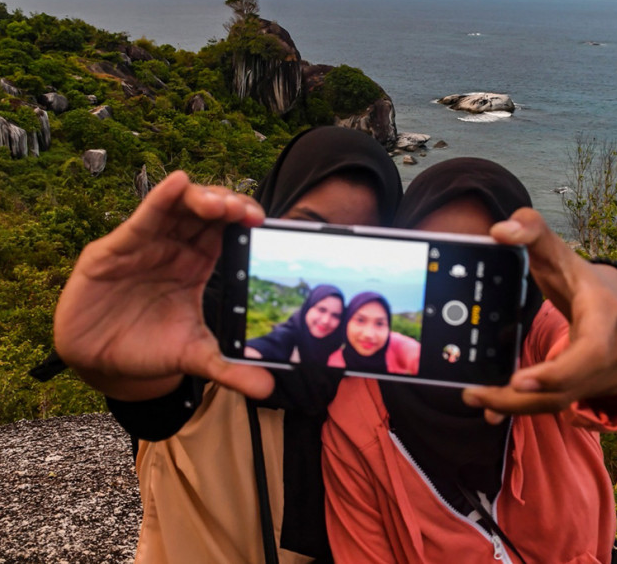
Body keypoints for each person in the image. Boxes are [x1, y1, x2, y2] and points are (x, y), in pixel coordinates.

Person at [53, 126, 403, 563]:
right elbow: (154, 400)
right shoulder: (210, 331)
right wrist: (111, 360)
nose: (328, 260)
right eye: (307, 229)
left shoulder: (372, 374)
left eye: (359, 242)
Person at [321, 158, 617, 563]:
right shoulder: (357, 416)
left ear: (520, 284)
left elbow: (591, 339)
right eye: (437, 263)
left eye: (482, 268)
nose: (458, 291)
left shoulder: (537, 352)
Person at [245, 284, 346, 363]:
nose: (326, 320)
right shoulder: (289, 334)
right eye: (321, 310)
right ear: (307, 308)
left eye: (335, 315)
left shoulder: (337, 345)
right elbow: (270, 345)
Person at [326, 291, 420, 375]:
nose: (369, 334)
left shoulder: (395, 344)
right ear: (346, 322)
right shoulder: (334, 363)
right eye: (360, 320)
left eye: (379, 324)